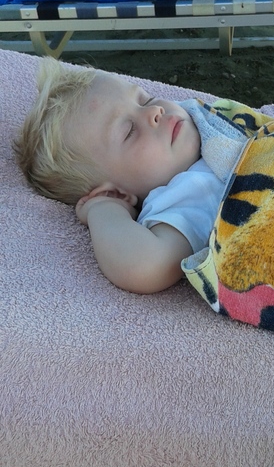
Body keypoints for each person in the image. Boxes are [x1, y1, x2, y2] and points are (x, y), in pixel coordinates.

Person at [14, 58, 247, 294]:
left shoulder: (203, 120)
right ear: (115, 193)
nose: (154, 111)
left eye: (146, 99)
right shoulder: (184, 194)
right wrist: (103, 209)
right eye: (129, 131)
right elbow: (145, 266)